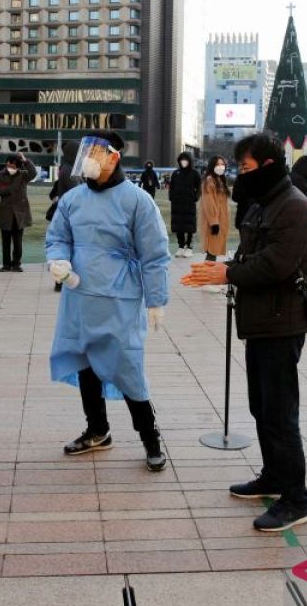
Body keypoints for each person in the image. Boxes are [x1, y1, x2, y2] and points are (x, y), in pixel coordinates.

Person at [182, 132, 307, 532]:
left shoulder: (294, 206)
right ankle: (274, 477)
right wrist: (226, 268)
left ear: (269, 166)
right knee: (262, 407)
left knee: (279, 412)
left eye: (246, 167)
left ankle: (297, 498)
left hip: (282, 322)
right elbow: (249, 256)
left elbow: (276, 264)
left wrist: (227, 272)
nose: (240, 174)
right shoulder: (265, 204)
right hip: (260, 321)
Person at [46, 131, 171, 472]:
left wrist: (156, 300)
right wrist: (58, 260)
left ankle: (150, 438)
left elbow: (155, 255)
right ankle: (97, 430)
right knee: (86, 364)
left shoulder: (137, 201)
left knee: (127, 368)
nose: (88, 159)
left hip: (119, 298)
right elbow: (58, 236)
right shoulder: (73, 200)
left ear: (114, 157)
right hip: (79, 297)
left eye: (96, 153)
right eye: (87, 152)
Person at [0, 152, 37, 272]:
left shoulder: (23, 175)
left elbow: (33, 173)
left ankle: (16, 264)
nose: (9, 168)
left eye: (12, 166)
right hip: (5, 213)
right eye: (8, 165)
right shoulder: (0, 175)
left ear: (18, 166)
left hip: (20, 214)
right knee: (5, 241)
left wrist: (25, 160)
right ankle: (6, 265)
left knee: (18, 241)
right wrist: (9, 190)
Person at [47, 142, 80, 292]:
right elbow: (77, 191)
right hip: (70, 214)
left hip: (70, 212)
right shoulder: (68, 170)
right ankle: (60, 281)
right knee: (66, 247)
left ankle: (61, 280)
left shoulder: (70, 168)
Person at [168, 151, 201, 257]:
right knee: (179, 226)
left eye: (186, 160)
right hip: (177, 204)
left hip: (189, 204)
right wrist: (172, 196)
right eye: (182, 160)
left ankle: (189, 247)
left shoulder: (194, 173)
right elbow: (171, 187)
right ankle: (181, 246)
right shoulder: (176, 173)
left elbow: (199, 188)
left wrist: (195, 197)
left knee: (190, 227)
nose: (183, 162)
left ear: (189, 161)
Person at [200, 155, 231, 265]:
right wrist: (214, 222)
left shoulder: (219, 180)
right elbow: (208, 203)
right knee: (212, 250)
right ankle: (206, 273)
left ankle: (208, 271)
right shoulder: (209, 180)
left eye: (222, 164)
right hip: (213, 221)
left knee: (214, 249)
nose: (221, 167)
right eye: (218, 164)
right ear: (212, 166)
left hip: (220, 219)